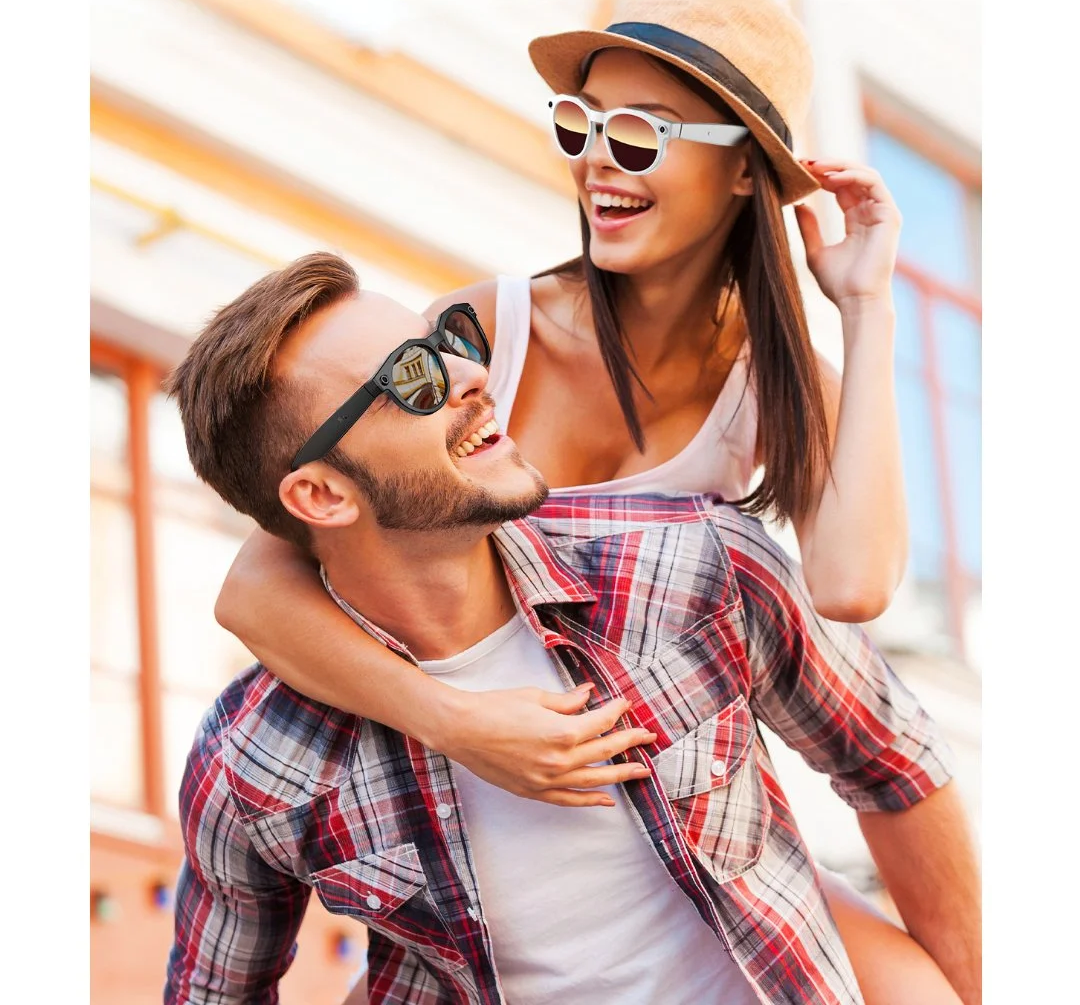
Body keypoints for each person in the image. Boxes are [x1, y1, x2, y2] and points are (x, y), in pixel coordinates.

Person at [212, 0, 956, 999]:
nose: (598, 158)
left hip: (685, 819)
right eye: (580, 124)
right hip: (483, 812)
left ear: (744, 171)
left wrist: (867, 305)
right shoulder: (480, 339)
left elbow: (856, 590)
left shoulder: (769, 388)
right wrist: (453, 721)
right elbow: (256, 587)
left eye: (642, 135)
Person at [163, 255, 980, 1005]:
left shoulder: (691, 567)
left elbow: (893, 764)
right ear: (321, 498)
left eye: (449, 339)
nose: (473, 374)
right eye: (411, 378)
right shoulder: (256, 763)